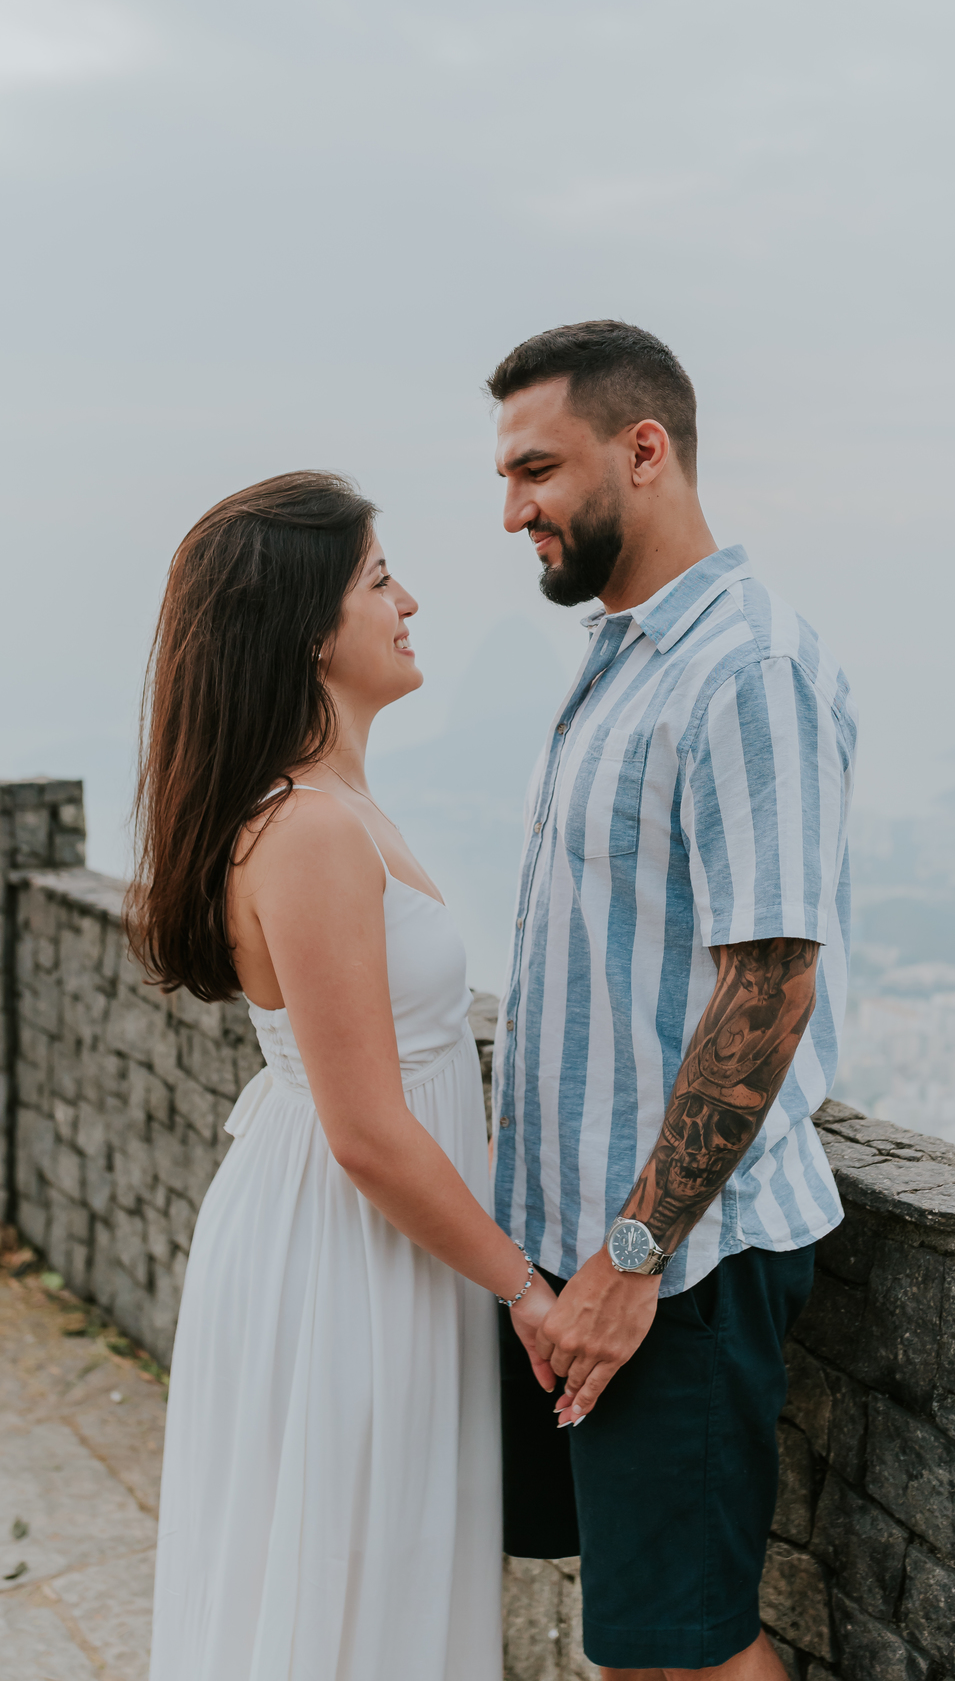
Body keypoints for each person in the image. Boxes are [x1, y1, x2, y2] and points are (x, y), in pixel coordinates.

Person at [131, 471, 557, 1681]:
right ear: (314, 627)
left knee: (362, 1579)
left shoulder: (333, 805)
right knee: (346, 1586)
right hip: (350, 1253)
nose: (410, 598)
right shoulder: (311, 828)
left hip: (372, 1244)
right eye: (380, 578)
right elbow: (365, 1127)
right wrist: (526, 1292)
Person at [488, 323, 858, 1680]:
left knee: (685, 1654)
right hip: (584, 1246)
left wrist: (631, 1263)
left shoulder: (743, 668)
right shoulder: (629, 653)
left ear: (644, 450)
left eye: (537, 468)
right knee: (640, 1634)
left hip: (676, 1267)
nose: (513, 508)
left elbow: (772, 981)